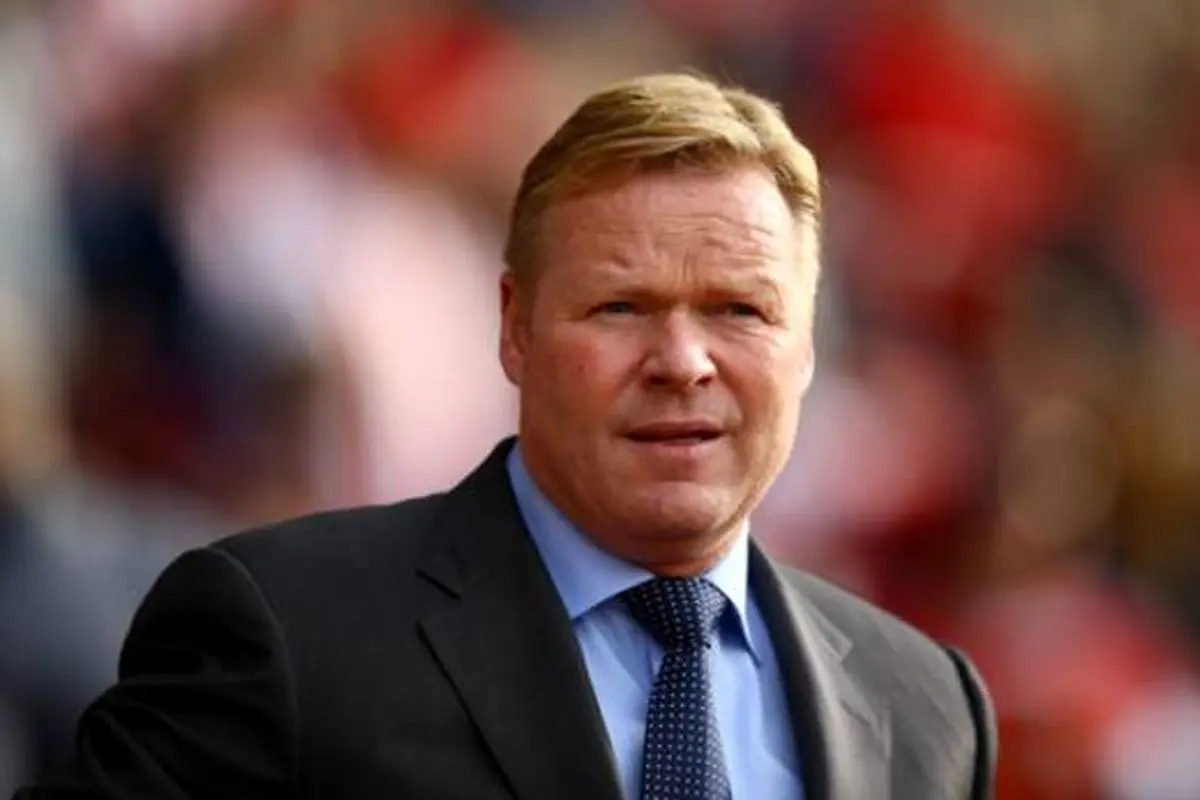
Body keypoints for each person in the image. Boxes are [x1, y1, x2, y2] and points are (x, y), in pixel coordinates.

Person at [16, 72, 996, 799]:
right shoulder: (285, 631)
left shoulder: (928, 707)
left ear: (808, 347)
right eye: (620, 307)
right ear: (514, 329)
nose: (683, 360)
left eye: (739, 310)